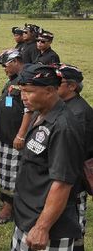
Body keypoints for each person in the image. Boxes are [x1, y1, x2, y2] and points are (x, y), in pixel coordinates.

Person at [12, 64, 85, 251]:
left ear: (50, 90)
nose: (23, 97)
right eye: (22, 91)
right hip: (28, 216)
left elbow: (62, 182)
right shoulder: (41, 112)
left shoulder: (63, 127)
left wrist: (42, 227)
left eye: (29, 91)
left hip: (48, 228)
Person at [57, 64, 93, 251]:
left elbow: (74, 152)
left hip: (73, 180)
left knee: (73, 225)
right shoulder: (66, 105)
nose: (54, 85)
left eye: (59, 82)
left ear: (72, 86)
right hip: (66, 175)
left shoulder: (79, 112)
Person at [0, 49, 25, 225]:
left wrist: (20, 135)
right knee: (4, 172)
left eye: (6, 65)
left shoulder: (27, 80)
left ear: (16, 61)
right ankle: (7, 202)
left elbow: (29, 111)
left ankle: (8, 208)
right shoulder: (14, 79)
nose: (4, 68)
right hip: (5, 136)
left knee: (12, 174)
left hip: (15, 138)